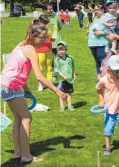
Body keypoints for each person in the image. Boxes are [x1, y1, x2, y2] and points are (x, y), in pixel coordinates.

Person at [0, 23, 66, 163]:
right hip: (11, 85)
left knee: (19, 118)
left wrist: (26, 88)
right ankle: (26, 156)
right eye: (42, 37)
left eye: (46, 37)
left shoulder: (21, 45)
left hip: (5, 84)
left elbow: (15, 68)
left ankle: (18, 153)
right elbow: (39, 76)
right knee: (27, 118)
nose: (44, 40)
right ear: (34, 36)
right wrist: (57, 90)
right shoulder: (30, 50)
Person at [28, 14, 53, 92]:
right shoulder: (36, 29)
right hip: (40, 51)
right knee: (40, 68)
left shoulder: (47, 29)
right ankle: (40, 84)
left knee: (49, 68)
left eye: (47, 23)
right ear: (41, 21)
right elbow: (33, 38)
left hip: (49, 49)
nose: (46, 24)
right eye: (45, 22)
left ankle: (50, 83)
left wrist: (51, 38)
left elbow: (49, 38)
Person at [53, 41, 76, 112]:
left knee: (68, 93)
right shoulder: (57, 60)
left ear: (66, 50)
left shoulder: (70, 58)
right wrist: (62, 76)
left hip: (69, 79)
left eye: (62, 50)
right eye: (59, 50)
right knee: (61, 93)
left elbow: (73, 67)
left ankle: (69, 106)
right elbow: (57, 69)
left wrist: (74, 75)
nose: (61, 52)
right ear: (57, 50)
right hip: (61, 80)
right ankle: (62, 106)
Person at [88, 4, 108, 79]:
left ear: (102, 10)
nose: (96, 11)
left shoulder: (106, 18)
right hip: (92, 44)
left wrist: (101, 33)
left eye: (97, 10)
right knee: (97, 61)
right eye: (95, 10)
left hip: (101, 44)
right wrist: (88, 32)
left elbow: (110, 31)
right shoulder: (95, 18)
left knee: (103, 61)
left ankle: (104, 77)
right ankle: (99, 77)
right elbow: (93, 28)